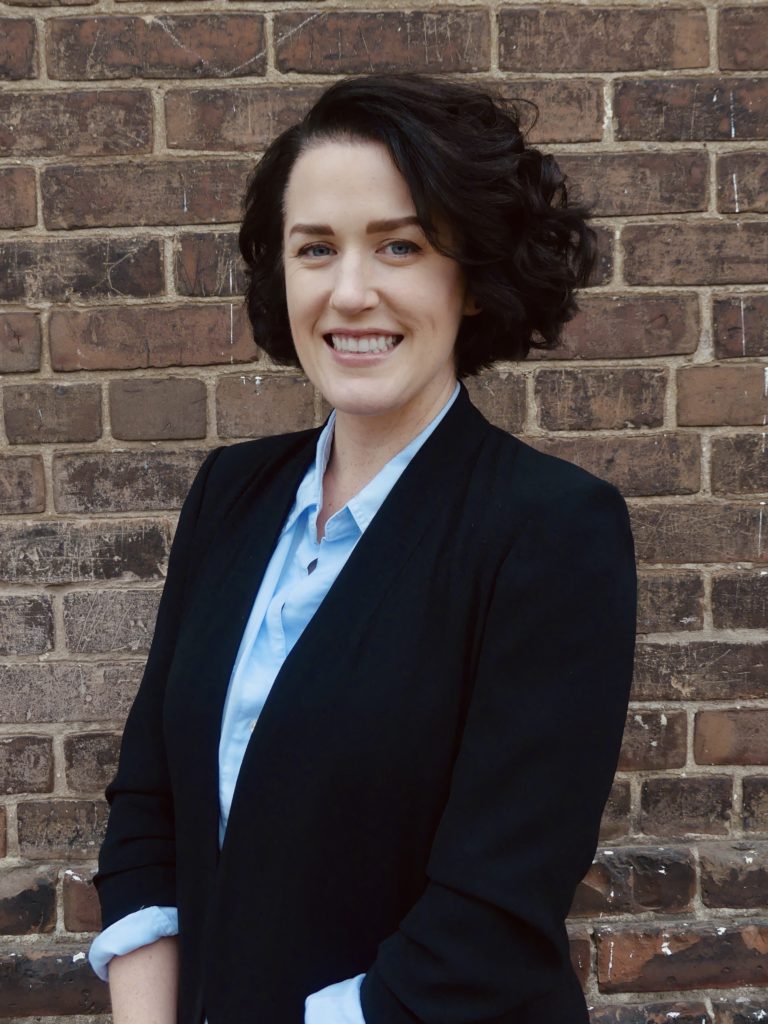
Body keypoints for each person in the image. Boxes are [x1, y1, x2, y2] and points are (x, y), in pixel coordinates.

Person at [90, 73, 637, 1024]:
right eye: (316, 249)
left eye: (401, 245)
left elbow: (492, 917)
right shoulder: (231, 494)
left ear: (473, 278)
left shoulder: (552, 529)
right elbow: (149, 808)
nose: (351, 292)